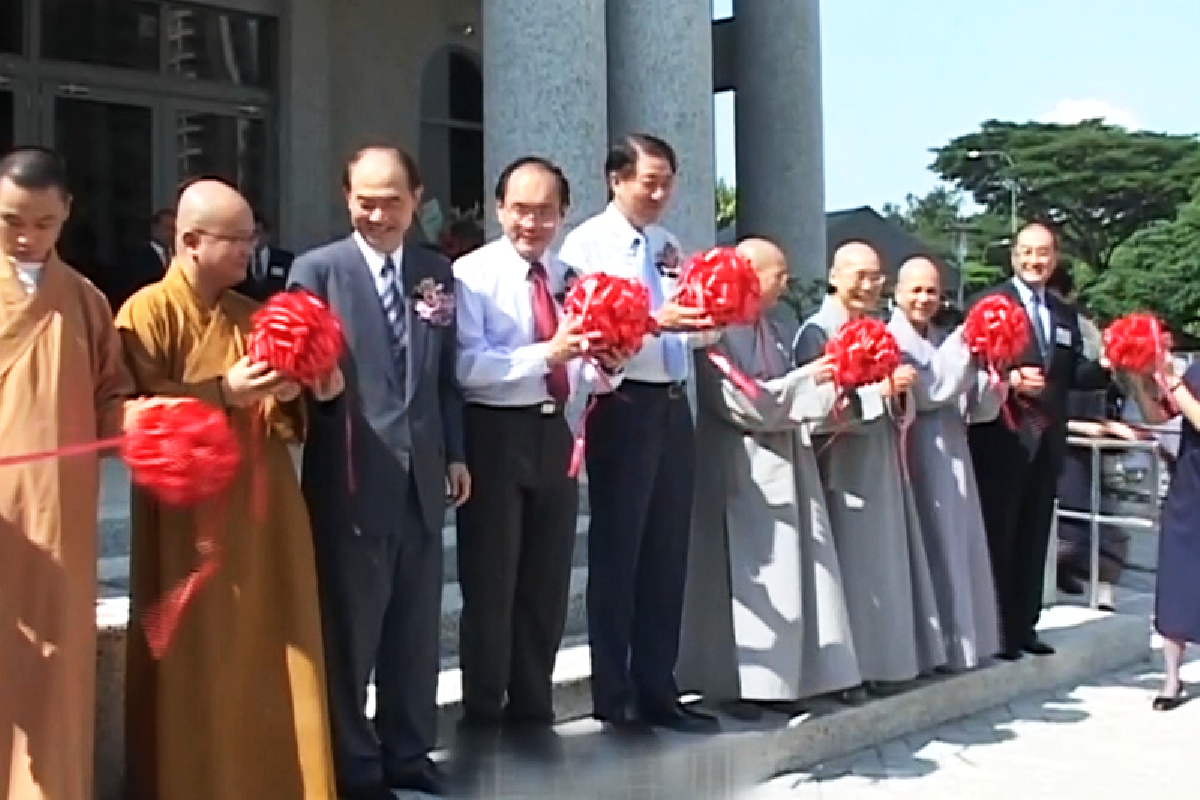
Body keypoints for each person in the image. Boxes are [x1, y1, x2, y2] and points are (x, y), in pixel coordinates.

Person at [117, 179, 341, 800]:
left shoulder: (254, 315)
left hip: (266, 505)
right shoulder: (143, 314)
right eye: (237, 239)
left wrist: (293, 394)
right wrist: (223, 393)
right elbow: (133, 412)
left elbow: (284, 423)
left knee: (280, 643)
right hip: (190, 517)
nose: (251, 251)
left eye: (252, 238)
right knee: (199, 653)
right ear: (189, 242)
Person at [289, 146, 467, 799]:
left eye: (392, 199)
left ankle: (409, 752)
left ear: (416, 198)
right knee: (351, 633)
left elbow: (446, 376)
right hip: (352, 478)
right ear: (346, 198)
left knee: (416, 633)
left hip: (424, 480)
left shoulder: (434, 273)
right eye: (366, 199)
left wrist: (455, 452)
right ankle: (354, 765)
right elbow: (296, 377)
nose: (379, 213)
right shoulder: (316, 272)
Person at [558, 133, 717, 735]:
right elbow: (591, 328)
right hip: (621, 404)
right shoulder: (587, 246)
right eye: (648, 181)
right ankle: (615, 693)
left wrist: (712, 319)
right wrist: (655, 320)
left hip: (675, 404)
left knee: (667, 550)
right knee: (619, 549)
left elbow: (688, 327)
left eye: (666, 182)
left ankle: (659, 685)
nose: (658, 194)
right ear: (615, 180)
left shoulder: (668, 245)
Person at [453, 156, 602, 754]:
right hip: (493, 434)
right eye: (520, 209)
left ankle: (533, 708)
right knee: (491, 582)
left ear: (563, 214)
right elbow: (467, 367)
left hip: (554, 433)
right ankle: (484, 715)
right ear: (498, 210)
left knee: (546, 579)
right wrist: (548, 352)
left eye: (544, 211)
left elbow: (582, 366)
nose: (531, 223)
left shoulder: (572, 276)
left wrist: (600, 364)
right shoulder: (471, 274)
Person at [0, 146, 135, 800]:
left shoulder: (84, 299)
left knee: (55, 665)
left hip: (60, 517)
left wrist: (139, 425)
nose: (27, 236)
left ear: (66, 216)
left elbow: (111, 395)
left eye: (43, 223)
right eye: (11, 221)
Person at [677, 238, 860, 714]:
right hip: (742, 467)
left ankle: (794, 678)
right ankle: (743, 684)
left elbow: (789, 394)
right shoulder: (713, 334)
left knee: (801, 573)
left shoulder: (776, 328)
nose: (785, 282)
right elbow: (744, 402)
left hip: (788, 461)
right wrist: (812, 379)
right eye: (776, 273)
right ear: (747, 277)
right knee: (750, 582)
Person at [792, 241, 946, 687]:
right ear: (834, 276)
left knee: (882, 567)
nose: (868, 285)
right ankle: (844, 673)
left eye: (875, 277)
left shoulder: (877, 328)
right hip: (840, 464)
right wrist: (876, 395)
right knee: (850, 571)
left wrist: (898, 393)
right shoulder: (816, 333)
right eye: (858, 275)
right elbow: (814, 408)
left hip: (880, 457)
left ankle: (885, 661)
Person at [967, 222, 1109, 661]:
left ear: (1055, 258)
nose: (1035, 262)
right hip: (1001, 439)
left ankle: (1024, 625)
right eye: (1026, 253)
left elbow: (1072, 378)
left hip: (1046, 442)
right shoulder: (988, 304)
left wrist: (1109, 360)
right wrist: (1008, 380)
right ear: (1013, 256)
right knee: (999, 536)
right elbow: (966, 367)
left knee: (1033, 538)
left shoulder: (1064, 313)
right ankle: (994, 630)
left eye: (1043, 254)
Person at [889, 257, 1002, 671]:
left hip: (954, 446)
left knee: (959, 541)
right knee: (929, 544)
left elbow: (976, 407)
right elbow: (930, 392)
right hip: (916, 447)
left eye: (931, 291)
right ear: (897, 293)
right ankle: (930, 648)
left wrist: (993, 370)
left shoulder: (940, 338)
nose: (923, 299)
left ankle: (961, 644)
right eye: (915, 290)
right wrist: (966, 346)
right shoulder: (890, 339)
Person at [1146, 353, 1200, 710]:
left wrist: (1174, 381)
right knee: (1177, 573)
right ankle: (1171, 678)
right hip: (1190, 482)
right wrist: (1139, 379)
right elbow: (1159, 417)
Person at [236, 211, 295, 301]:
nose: (254, 238)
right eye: (250, 234)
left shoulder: (285, 259)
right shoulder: (239, 258)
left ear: (267, 234)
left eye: (257, 232)